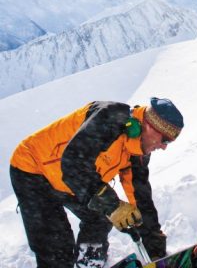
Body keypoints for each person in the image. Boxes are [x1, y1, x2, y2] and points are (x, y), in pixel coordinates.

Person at [10, 97, 184, 268]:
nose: (164, 147)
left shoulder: (138, 152)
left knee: (100, 218)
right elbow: (73, 164)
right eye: (165, 139)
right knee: (56, 246)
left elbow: (140, 197)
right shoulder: (110, 118)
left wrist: (154, 247)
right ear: (149, 126)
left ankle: (89, 263)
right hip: (33, 171)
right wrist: (113, 205)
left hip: (73, 181)